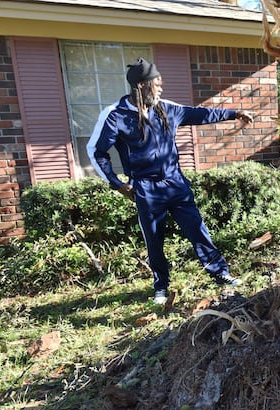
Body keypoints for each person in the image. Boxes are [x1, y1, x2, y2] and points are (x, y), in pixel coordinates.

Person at [86, 58, 253, 305]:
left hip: (175, 183)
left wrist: (233, 114)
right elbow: (96, 151)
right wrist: (117, 183)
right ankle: (161, 287)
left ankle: (221, 273)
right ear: (142, 86)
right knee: (154, 239)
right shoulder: (115, 115)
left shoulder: (166, 108)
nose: (161, 89)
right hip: (145, 188)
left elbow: (200, 113)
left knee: (198, 229)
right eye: (157, 84)